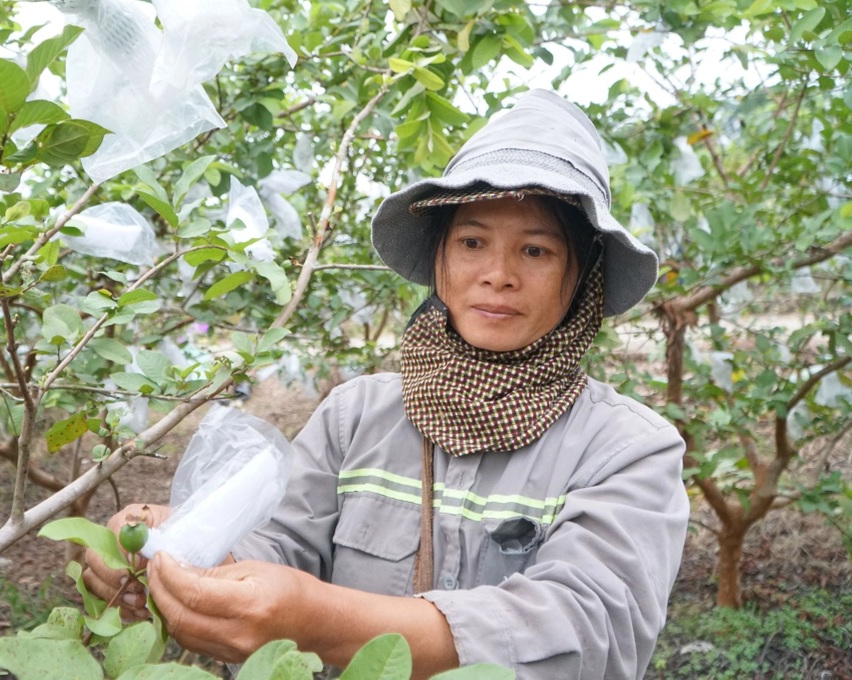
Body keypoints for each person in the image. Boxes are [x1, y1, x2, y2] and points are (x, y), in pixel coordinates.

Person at [84, 89, 689, 679]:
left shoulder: (627, 448)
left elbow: (590, 631)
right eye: (472, 242)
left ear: (582, 278)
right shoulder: (356, 415)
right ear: (440, 264)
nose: (498, 275)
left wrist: (321, 621)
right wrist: (187, 549)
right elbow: (282, 543)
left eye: (536, 251)